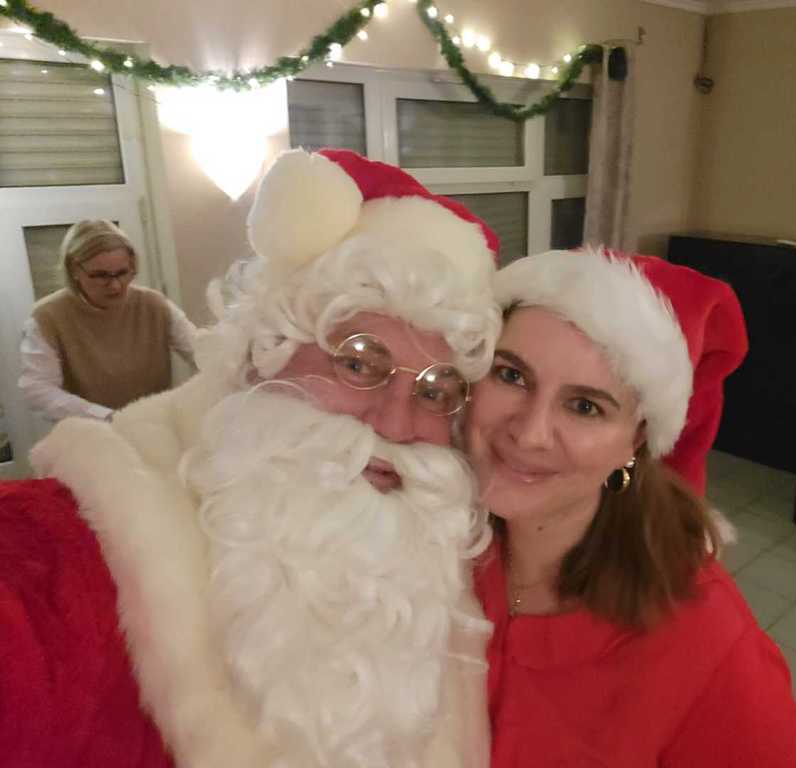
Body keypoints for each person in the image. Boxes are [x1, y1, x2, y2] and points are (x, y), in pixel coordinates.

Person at [0, 149, 502, 768]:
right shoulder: (68, 541)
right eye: (357, 362)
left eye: (434, 391)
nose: (396, 426)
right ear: (263, 356)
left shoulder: (449, 568)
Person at [466, 247, 796, 767]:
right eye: (510, 376)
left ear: (636, 440)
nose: (530, 434)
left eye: (584, 406)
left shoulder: (712, 654)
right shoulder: (443, 544)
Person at [18, 219, 197, 422]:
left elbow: (202, 351)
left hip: (155, 426)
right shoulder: (47, 317)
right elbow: (37, 389)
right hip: (92, 432)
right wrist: (108, 418)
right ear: (74, 269)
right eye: (100, 276)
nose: (115, 286)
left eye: (123, 273)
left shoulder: (154, 305)